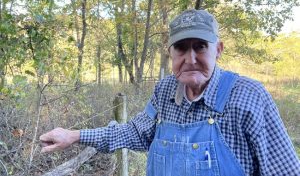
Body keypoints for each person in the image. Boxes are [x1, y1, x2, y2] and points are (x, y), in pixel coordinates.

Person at [40, 9, 300, 176]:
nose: (190, 58)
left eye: (200, 47)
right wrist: (74, 135)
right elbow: (135, 133)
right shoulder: (165, 90)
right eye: (181, 48)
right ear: (170, 53)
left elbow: (284, 171)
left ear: (218, 49)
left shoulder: (249, 96)